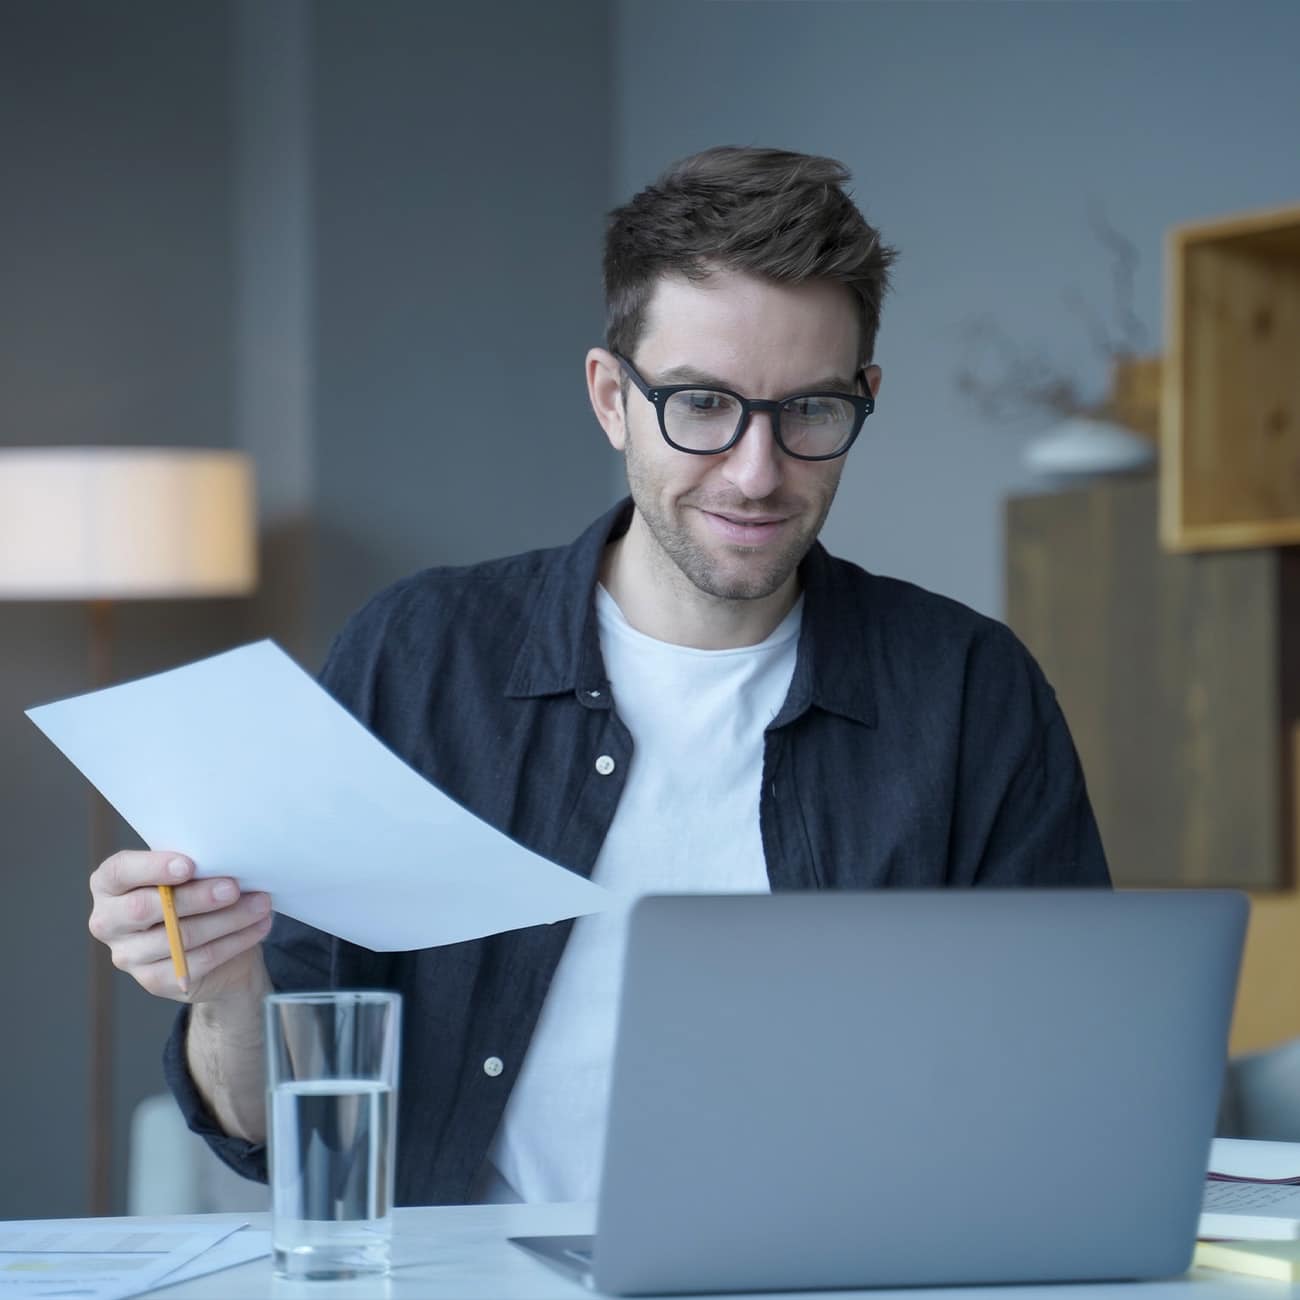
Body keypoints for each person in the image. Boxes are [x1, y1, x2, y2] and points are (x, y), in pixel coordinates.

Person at [87, 145, 1110, 1208]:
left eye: (809, 411)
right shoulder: (420, 655)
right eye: (702, 404)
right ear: (611, 397)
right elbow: (272, 1126)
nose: (756, 473)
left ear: (864, 398)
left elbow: (1067, 1073)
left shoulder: (968, 689)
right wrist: (222, 987)